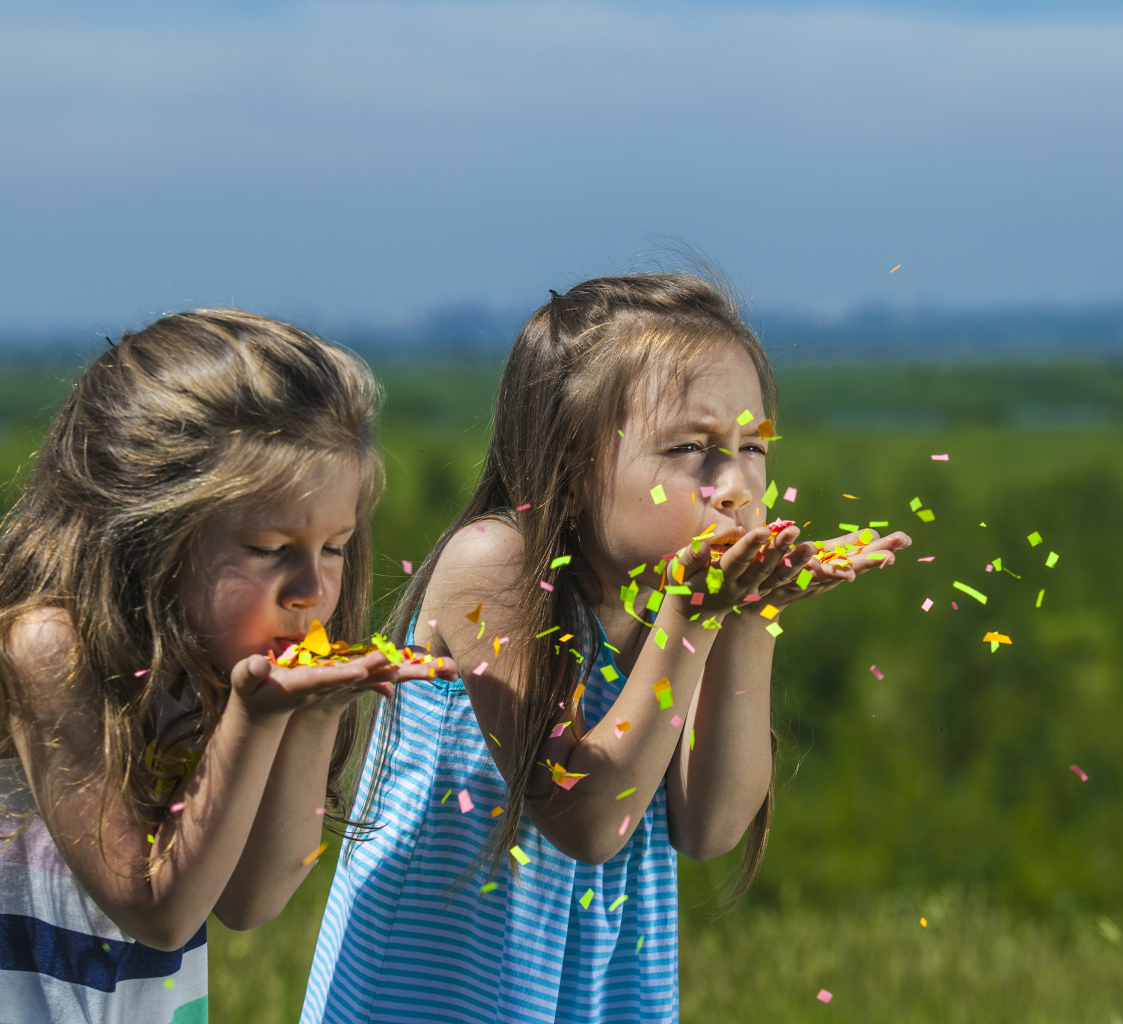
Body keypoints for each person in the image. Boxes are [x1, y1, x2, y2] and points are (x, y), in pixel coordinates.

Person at [303, 274, 911, 1023]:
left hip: (590, 998)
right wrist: (694, 615)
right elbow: (588, 822)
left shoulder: (669, 603)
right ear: (570, 464)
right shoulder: (493, 565)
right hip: (436, 998)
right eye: (691, 448)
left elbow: (711, 827)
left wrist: (751, 617)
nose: (735, 486)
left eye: (752, 445)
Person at [0, 311, 457, 1024]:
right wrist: (255, 718)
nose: (311, 590)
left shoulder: (206, 659)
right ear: (152, 531)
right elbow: (161, 913)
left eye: (334, 547)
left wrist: (316, 715)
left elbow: (252, 901)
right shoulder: (52, 646)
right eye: (272, 549)